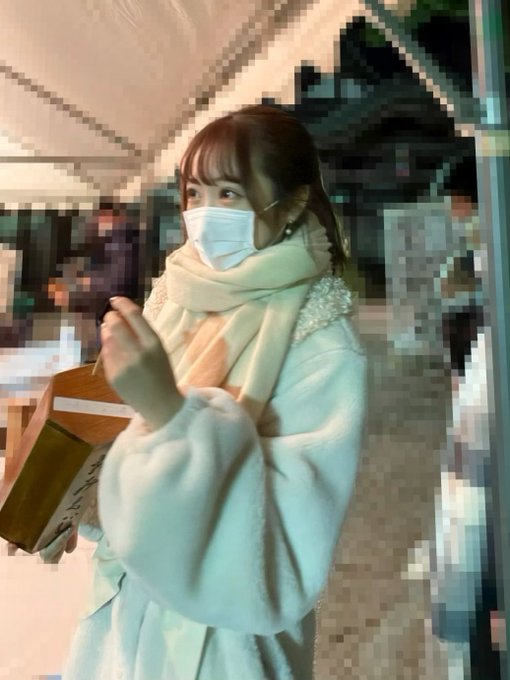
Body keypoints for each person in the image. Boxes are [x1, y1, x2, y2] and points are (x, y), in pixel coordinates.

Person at [20, 105, 367, 679]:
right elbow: (120, 437)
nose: (205, 216)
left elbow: (285, 551)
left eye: (229, 193)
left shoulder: (320, 341)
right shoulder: (175, 291)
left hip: (221, 647)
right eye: (193, 194)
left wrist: (174, 416)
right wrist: (63, 500)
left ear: (293, 204)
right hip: (124, 613)